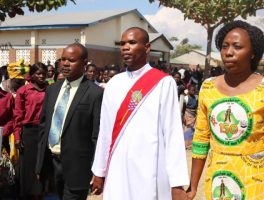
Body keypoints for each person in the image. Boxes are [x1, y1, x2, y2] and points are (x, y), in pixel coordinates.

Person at [187, 20, 264, 200]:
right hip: (218, 183)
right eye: (224, 46)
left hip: (256, 184)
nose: (229, 52)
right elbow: (201, 137)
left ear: (253, 53)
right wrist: (193, 186)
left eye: (237, 47)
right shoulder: (208, 87)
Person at [91, 27, 189, 200]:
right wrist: (99, 171)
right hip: (117, 167)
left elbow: (172, 133)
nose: (125, 47)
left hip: (150, 168)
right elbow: (105, 131)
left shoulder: (163, 83)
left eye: (132, 42)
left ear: (147, 47)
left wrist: (177, 182)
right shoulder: (114, 83)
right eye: (122, 44)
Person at [35, 43, 103, 200]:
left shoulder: (95, 94)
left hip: (78, 168)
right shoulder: (52, 90)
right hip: (52, 163)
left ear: (85, 63)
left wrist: (97, 171)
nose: (65, 64)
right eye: (63, 59)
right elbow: (44, 128)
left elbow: (97, 136)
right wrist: (40, 164)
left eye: (71, 60)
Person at [13, 62, 48, 199]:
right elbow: (18, 114)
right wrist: (17, 136)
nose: (41, 76)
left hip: (44, 131)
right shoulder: (24, 91)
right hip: (28, 132)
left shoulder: (50, 89)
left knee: (42, 164)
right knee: (28, 166)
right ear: (32, 75)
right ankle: (27, 194)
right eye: (38, 73)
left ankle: (40, 193)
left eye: (43, 74)